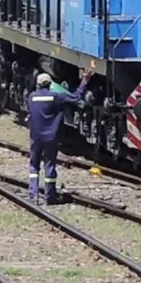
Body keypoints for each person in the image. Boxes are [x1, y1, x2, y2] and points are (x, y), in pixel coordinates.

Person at [27, 68, 93, 204]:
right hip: (51, 137)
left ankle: (33, 195)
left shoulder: (31, 97)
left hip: (35, 137)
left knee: (34, 165)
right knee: (49, 165)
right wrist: (84, 81)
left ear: (38, 84)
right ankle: (50, 196)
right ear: (50, 84)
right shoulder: (55, 97)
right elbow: (76, 97)